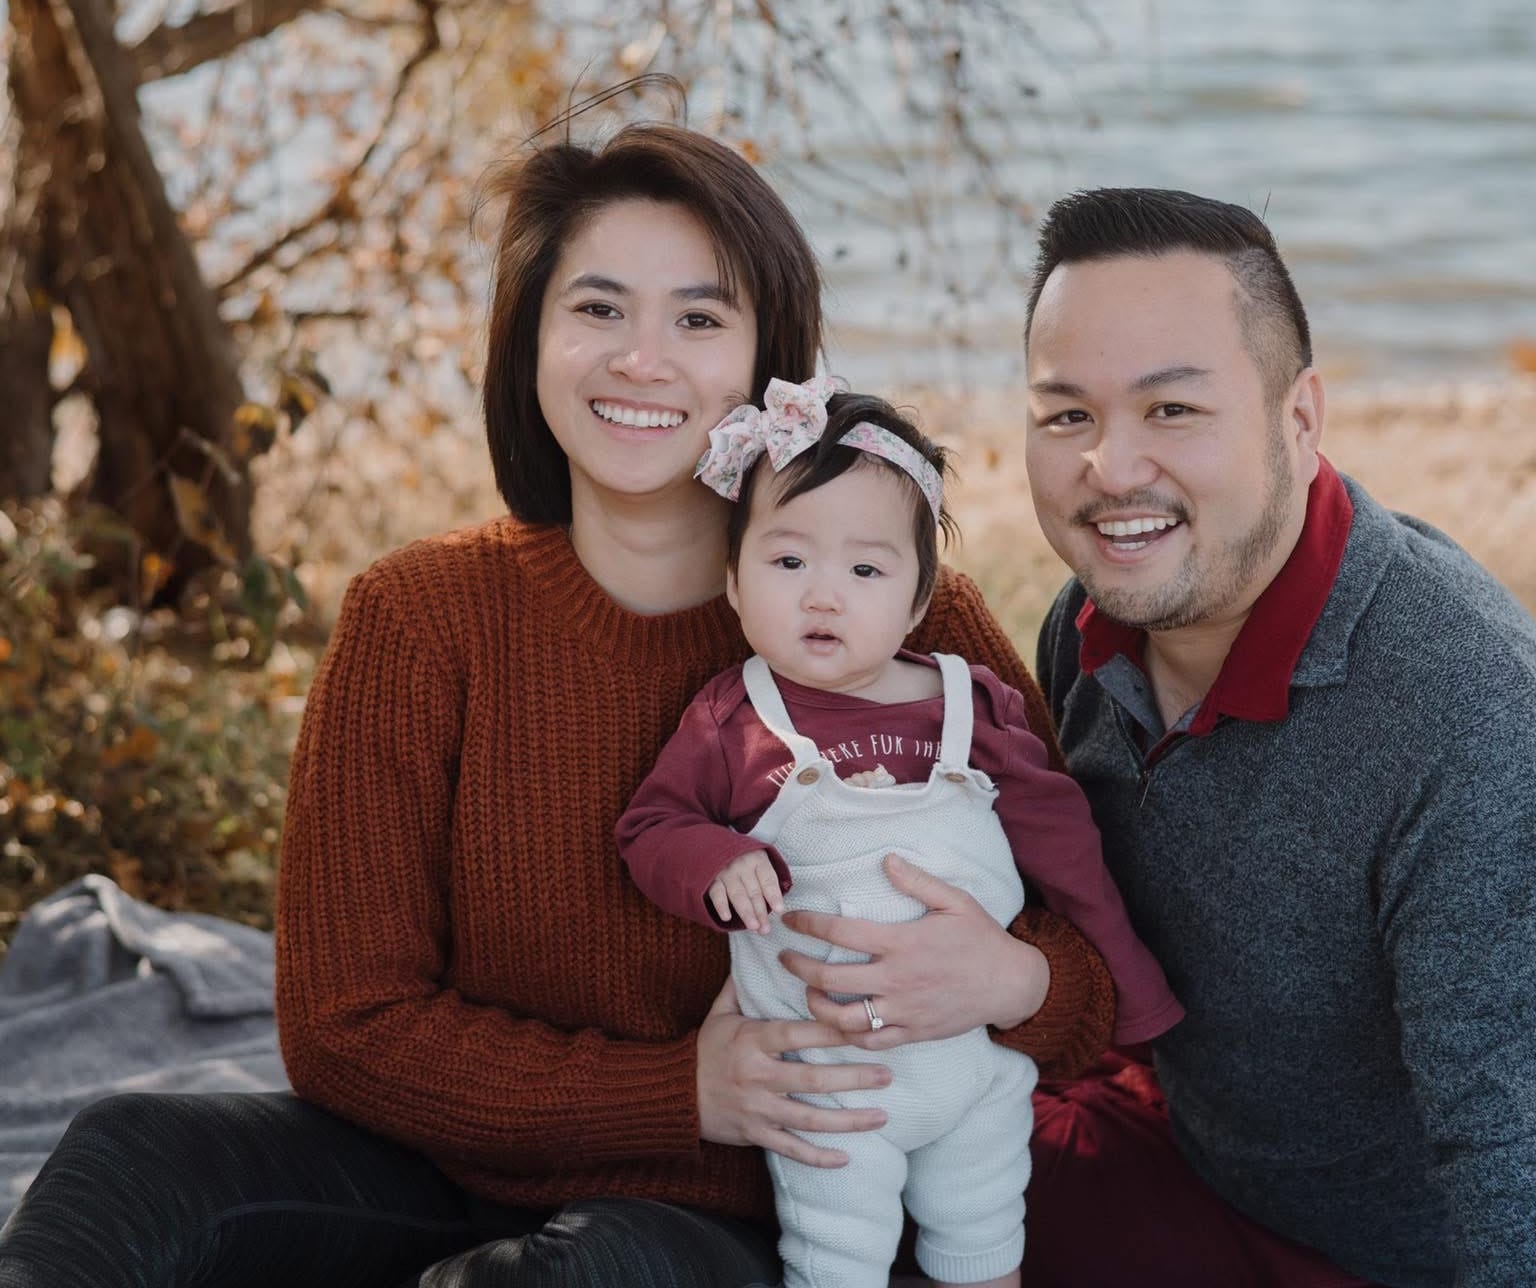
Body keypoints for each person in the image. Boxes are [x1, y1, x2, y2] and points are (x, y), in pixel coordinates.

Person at [0, 119, 1117, 1288]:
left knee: (581, 1273)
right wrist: (678, 1088)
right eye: (596, 309)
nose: (642, 359)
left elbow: (1090, 968)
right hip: (442, 1171)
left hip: (770, 1216)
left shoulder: (912, 623)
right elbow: (342, 1022)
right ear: (528, 339)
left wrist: (1013, 980)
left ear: (770, 370)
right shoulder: (417, 618)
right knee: (130, 1150)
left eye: (698, 318)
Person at [1018, 187, 1536, 1288]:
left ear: (1299, 422)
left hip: (1384, 1256)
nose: (1108, 468)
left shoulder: (1464, 710)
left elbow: (1511, 1149)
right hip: (1182, 1151)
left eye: (1171, 410)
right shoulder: (1087, 628)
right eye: (1067, 414)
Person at [617, 379, 1183, 1288]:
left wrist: (1134, 991)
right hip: (828, 1090)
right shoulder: (735, 718)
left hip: (971, 1071)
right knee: (837, 1255)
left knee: (986, 1233)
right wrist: (715, 860)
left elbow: (1066, 848)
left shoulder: (972, 706)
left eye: (866, 571)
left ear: (922, 600)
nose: (824, 598)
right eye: (788, 562)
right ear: (731, 582)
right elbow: (651, 827)